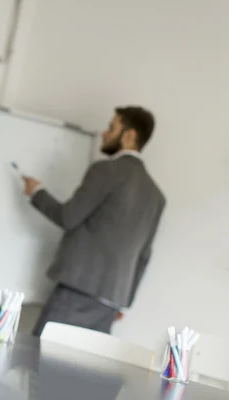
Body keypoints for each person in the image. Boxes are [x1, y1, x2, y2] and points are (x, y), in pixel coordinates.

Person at [24, 106, 165, 336]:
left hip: (76, 291)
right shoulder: (156, 196)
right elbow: (144, 256)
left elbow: (68, 217)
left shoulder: (106, 170)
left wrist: (37, 192)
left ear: (130, 136)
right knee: (82, 371)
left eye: (112, 127)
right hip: (111, 302)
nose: (105, 133)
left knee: (37, 363)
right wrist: (123, 302)